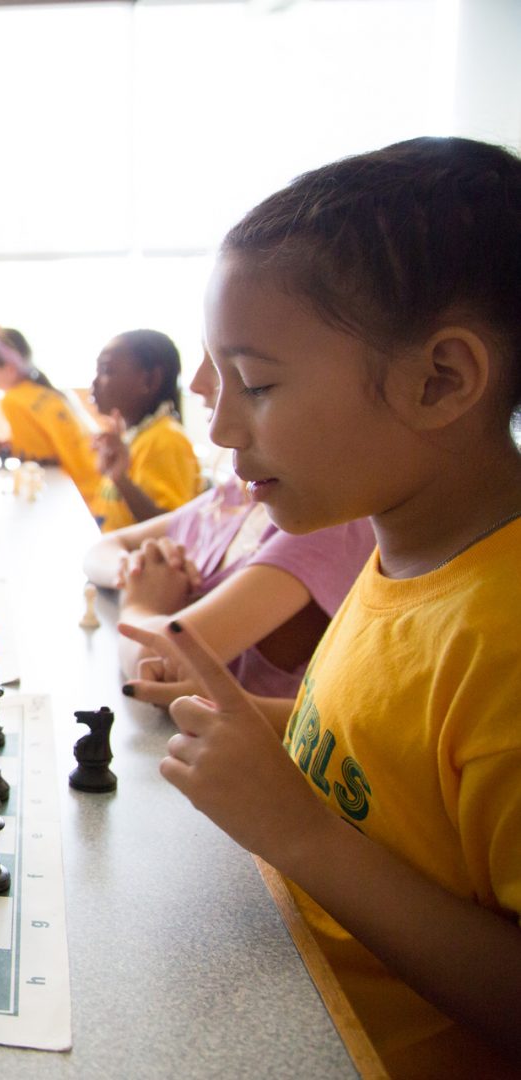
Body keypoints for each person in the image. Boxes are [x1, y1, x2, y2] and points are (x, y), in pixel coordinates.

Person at [120, 136, 521, 1075]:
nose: (222, 427)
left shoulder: (506, 638)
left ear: (440, 380)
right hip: (288, 1003)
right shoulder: (403, 554)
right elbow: (392, 767)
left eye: (257, 385)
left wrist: (297, 831)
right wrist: (261, 725)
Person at [84, 353, 374, 702]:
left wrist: (139, 604)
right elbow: (103, 549)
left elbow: (159, 662)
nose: (196, 384)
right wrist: (138, 570)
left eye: (251, 378)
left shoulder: (328, 522)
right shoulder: (237, 496)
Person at [86, 329, 201, 531]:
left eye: (106, 370)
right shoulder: (133, 437)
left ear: (150, 380)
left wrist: (121, 479)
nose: (94, 382)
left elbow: (172, 529)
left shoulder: (165, 440)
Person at [0, 323, 100, 503]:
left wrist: (12, 452)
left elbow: (37, 461)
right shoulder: (42, 392)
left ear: (10, 369)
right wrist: (12, 444)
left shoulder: (13, 401)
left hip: (81, 496)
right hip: (96, 483)